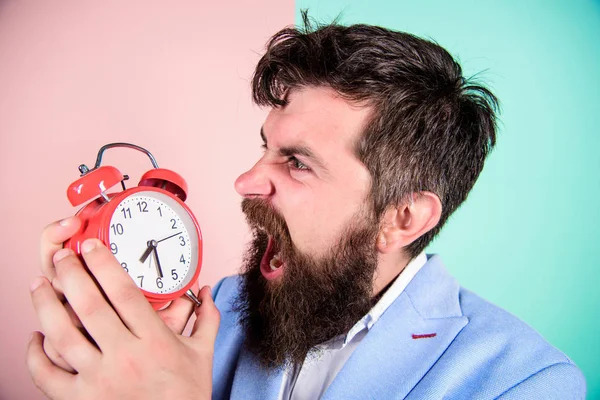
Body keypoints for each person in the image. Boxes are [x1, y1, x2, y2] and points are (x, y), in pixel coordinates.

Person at [27, 15, 586, 399]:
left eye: (296, 162)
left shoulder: (525, 381)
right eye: (264, 147)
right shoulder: (216, 311)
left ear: (403, 218)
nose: (246, 181)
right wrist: (101, 337)